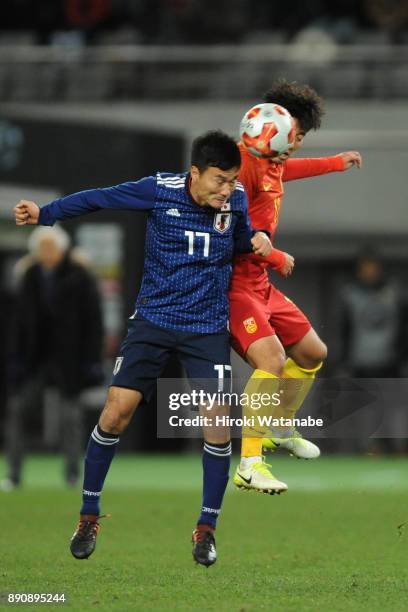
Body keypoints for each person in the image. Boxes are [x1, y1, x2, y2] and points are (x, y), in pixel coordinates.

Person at [13, 130, 272, 567]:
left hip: (206, 327)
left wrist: (258, 240)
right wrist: (46, 214)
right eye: (218, 181)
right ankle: (88, 515)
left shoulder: (237, 199)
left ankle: (206, 529)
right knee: (116, 412)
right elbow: (100, 198)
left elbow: (243, 238)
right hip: (153, 322)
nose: (226, 189)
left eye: (231, 181)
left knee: (217, 422)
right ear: (194, 174)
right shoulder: (159, 190)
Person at [230, 80, 363, 494]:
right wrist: (274, 255)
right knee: (269, 361)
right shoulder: (242, 163)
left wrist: (335, 163)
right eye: (296, 135)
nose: (295, 145)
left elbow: (291, 169)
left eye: (300, 138)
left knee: (312, 353)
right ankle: (250, 462)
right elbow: (236, 229)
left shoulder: (271, 161)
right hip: (232, 285)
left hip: (260, 283)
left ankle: (281, 425)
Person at [1, 225, 104, 490]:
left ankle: (72, 475)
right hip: (34, 359)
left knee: (71, 417)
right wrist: (15, 358)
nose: (46, 253)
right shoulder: (29, 276)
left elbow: (93, 322)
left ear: (62, 249)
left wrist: (91, 359)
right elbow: (18, 323)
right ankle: (13, 474)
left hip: (68, 359)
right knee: (18, 410)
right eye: (41, 248)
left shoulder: (80, 276)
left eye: (51, 247)